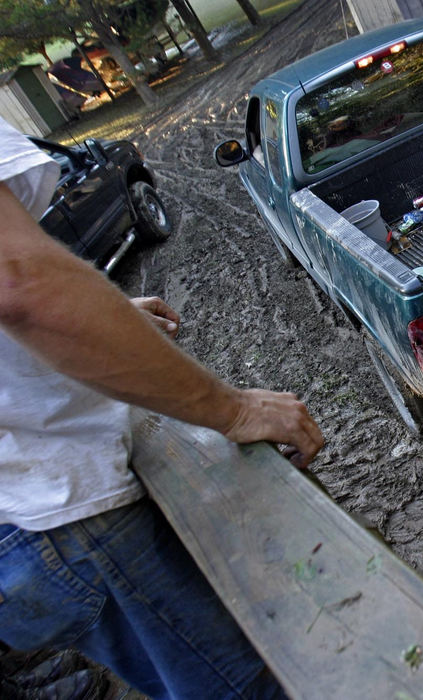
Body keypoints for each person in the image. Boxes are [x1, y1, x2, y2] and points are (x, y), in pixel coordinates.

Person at [0, 117, 324, 698]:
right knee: (258, 682)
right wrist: (233, 410)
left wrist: (105, 321)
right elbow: (19, 280)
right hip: (63, 508)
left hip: (22, 529)